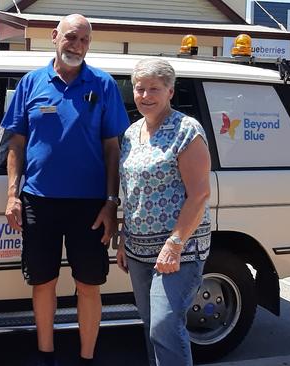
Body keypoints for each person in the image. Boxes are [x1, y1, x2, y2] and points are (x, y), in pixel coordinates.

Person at [1, 14, 129, 366]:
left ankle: (87, 357)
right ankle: (46, 354)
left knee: (88, 284)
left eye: (85, 40)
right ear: (55, 36)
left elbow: (113, 149)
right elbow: (16, 143)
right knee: (43, 282)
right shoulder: (30, 84)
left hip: (89, 206)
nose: (78, 46)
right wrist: (13, 195)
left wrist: (111, 203)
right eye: (72, 38)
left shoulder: (102, 85)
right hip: (38, 201)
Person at [116, 58, 211, 366]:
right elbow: (131, 191)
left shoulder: (186, 130)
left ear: (170, 91)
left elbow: (199, 194)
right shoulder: (131, 133)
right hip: (138, 249)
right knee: (152, 325)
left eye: (154, 89)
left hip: (178, 251)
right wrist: (122, 239)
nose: (145, 96)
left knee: (165, 325)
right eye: (140, 89)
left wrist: (174, 245)